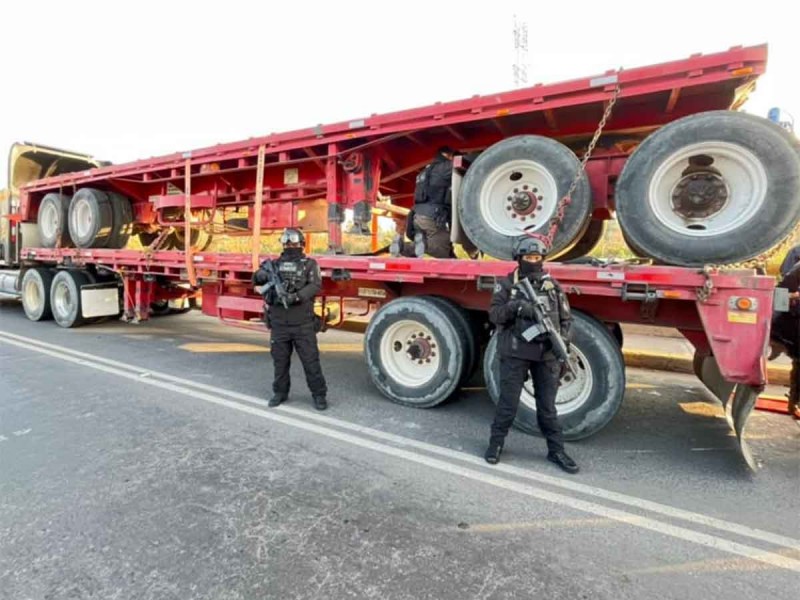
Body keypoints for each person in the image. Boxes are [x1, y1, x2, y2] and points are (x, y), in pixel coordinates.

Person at [484, 236, 579, 474]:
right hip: (515, 352)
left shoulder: (552, 286)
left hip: (546, 355)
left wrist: (562, 342)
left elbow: (567, 319)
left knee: (547, 408)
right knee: (508, 404)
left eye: (537, 258)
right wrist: (516, 308)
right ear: (519, 259)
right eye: (529, 258)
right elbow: (494, 315)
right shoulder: (507, 284)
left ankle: (556, 450)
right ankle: (495, 445)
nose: (534, 262)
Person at [253, 228, 328, 411]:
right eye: (288, 244)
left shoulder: (310, 264)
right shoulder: (273, 265)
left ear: (302, 244)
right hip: (279, 324)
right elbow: (256, 282)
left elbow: (315, 285)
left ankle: (319, 395)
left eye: (294, 244)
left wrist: (295, 297)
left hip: (303, 324)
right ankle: (280, 393)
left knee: (311, 362)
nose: (291, 247)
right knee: (280, 362)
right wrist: (259, 276)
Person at [390, 146, 457, 258]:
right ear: (447, 155)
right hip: (432, 217)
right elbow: (465, 165)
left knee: (438, 244)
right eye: (452, 156)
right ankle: (412, 247)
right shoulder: (444, 167)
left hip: (417, 217)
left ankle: (406, 246)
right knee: (441, 250)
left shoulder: (423, 172)